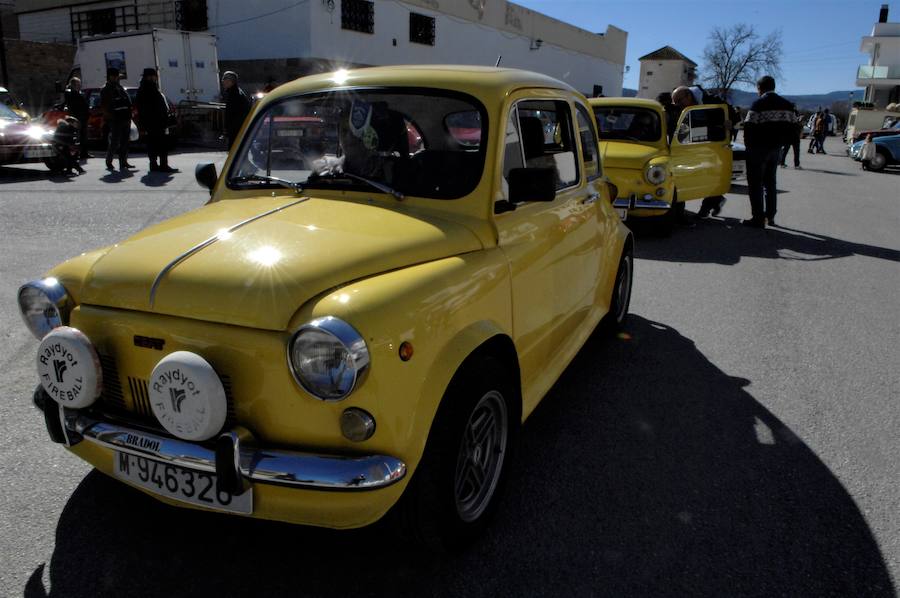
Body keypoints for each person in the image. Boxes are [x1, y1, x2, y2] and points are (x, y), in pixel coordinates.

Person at [741, 75, 796, 228]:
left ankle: (758, 218)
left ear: (760, 88)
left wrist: (748, 147)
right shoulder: (787, 105)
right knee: (770, 183)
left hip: (758, 149)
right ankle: (770, 216)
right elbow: (794, 127)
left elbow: (748, 127)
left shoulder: (758, 104)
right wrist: (783, 144)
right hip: (776, 149)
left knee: (755, 183)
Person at [672, 85, 733, 219]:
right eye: (675, 103)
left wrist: (729, 123)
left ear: (688, 96)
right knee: (693, 174)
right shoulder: (684, 109)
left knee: (713, 174)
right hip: (694, 143)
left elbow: (731, 113)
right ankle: (716, 200)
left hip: (715, 143)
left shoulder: (711, 100)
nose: (678, 105)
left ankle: (707, 206)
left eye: (680, 101)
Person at [135, 68, 177, 173]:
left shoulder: (150, 87)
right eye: (154, 76)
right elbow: (143, 108)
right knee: (160, 144)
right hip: (154, 122)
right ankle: (161, 165)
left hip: (156, 121)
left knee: (155, 144)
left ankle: (156, 165)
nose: (155, 78)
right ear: (149, 77)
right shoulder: (146, 89)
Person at [100, 67, 134, 171]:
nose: (117, 78)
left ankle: (123, 161)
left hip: (125, 117)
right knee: (115, 142)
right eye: (115, 76)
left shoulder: (119, 87)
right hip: (115, 119)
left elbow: (127, 101)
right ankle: (109, 161)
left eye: (117, 77)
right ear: (110, 77)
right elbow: (105, 106)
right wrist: (111, 117)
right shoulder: (105, 89)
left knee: (125, 141)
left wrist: (129, 114)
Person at [222, 70, 250, 149]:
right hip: (237, 129)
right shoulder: (234, 92)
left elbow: (232, 114)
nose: (223, 82)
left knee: (235, 150)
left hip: (236, 130)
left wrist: (228, 130)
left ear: (231, 81)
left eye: (225, 80)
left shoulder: (234, 94)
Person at [63, 77, 90, 159]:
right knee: (77, 136)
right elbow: (73, 104)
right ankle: (76, 153)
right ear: (73, 84)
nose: (79, 85)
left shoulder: (78, 92)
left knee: (83, 136)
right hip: (77, 116)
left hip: (83, 116)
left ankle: (84, 153)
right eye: (78, 84)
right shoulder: (71, 92)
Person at [779, 104, 802, 169]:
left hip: (787, 136)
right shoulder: (794, 114)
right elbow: (796, 124)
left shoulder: (784, 115)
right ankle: (796, 165)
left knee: (785, 150)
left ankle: (782, 163)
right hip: (794, 135)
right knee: (796, 151)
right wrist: (799, 120)